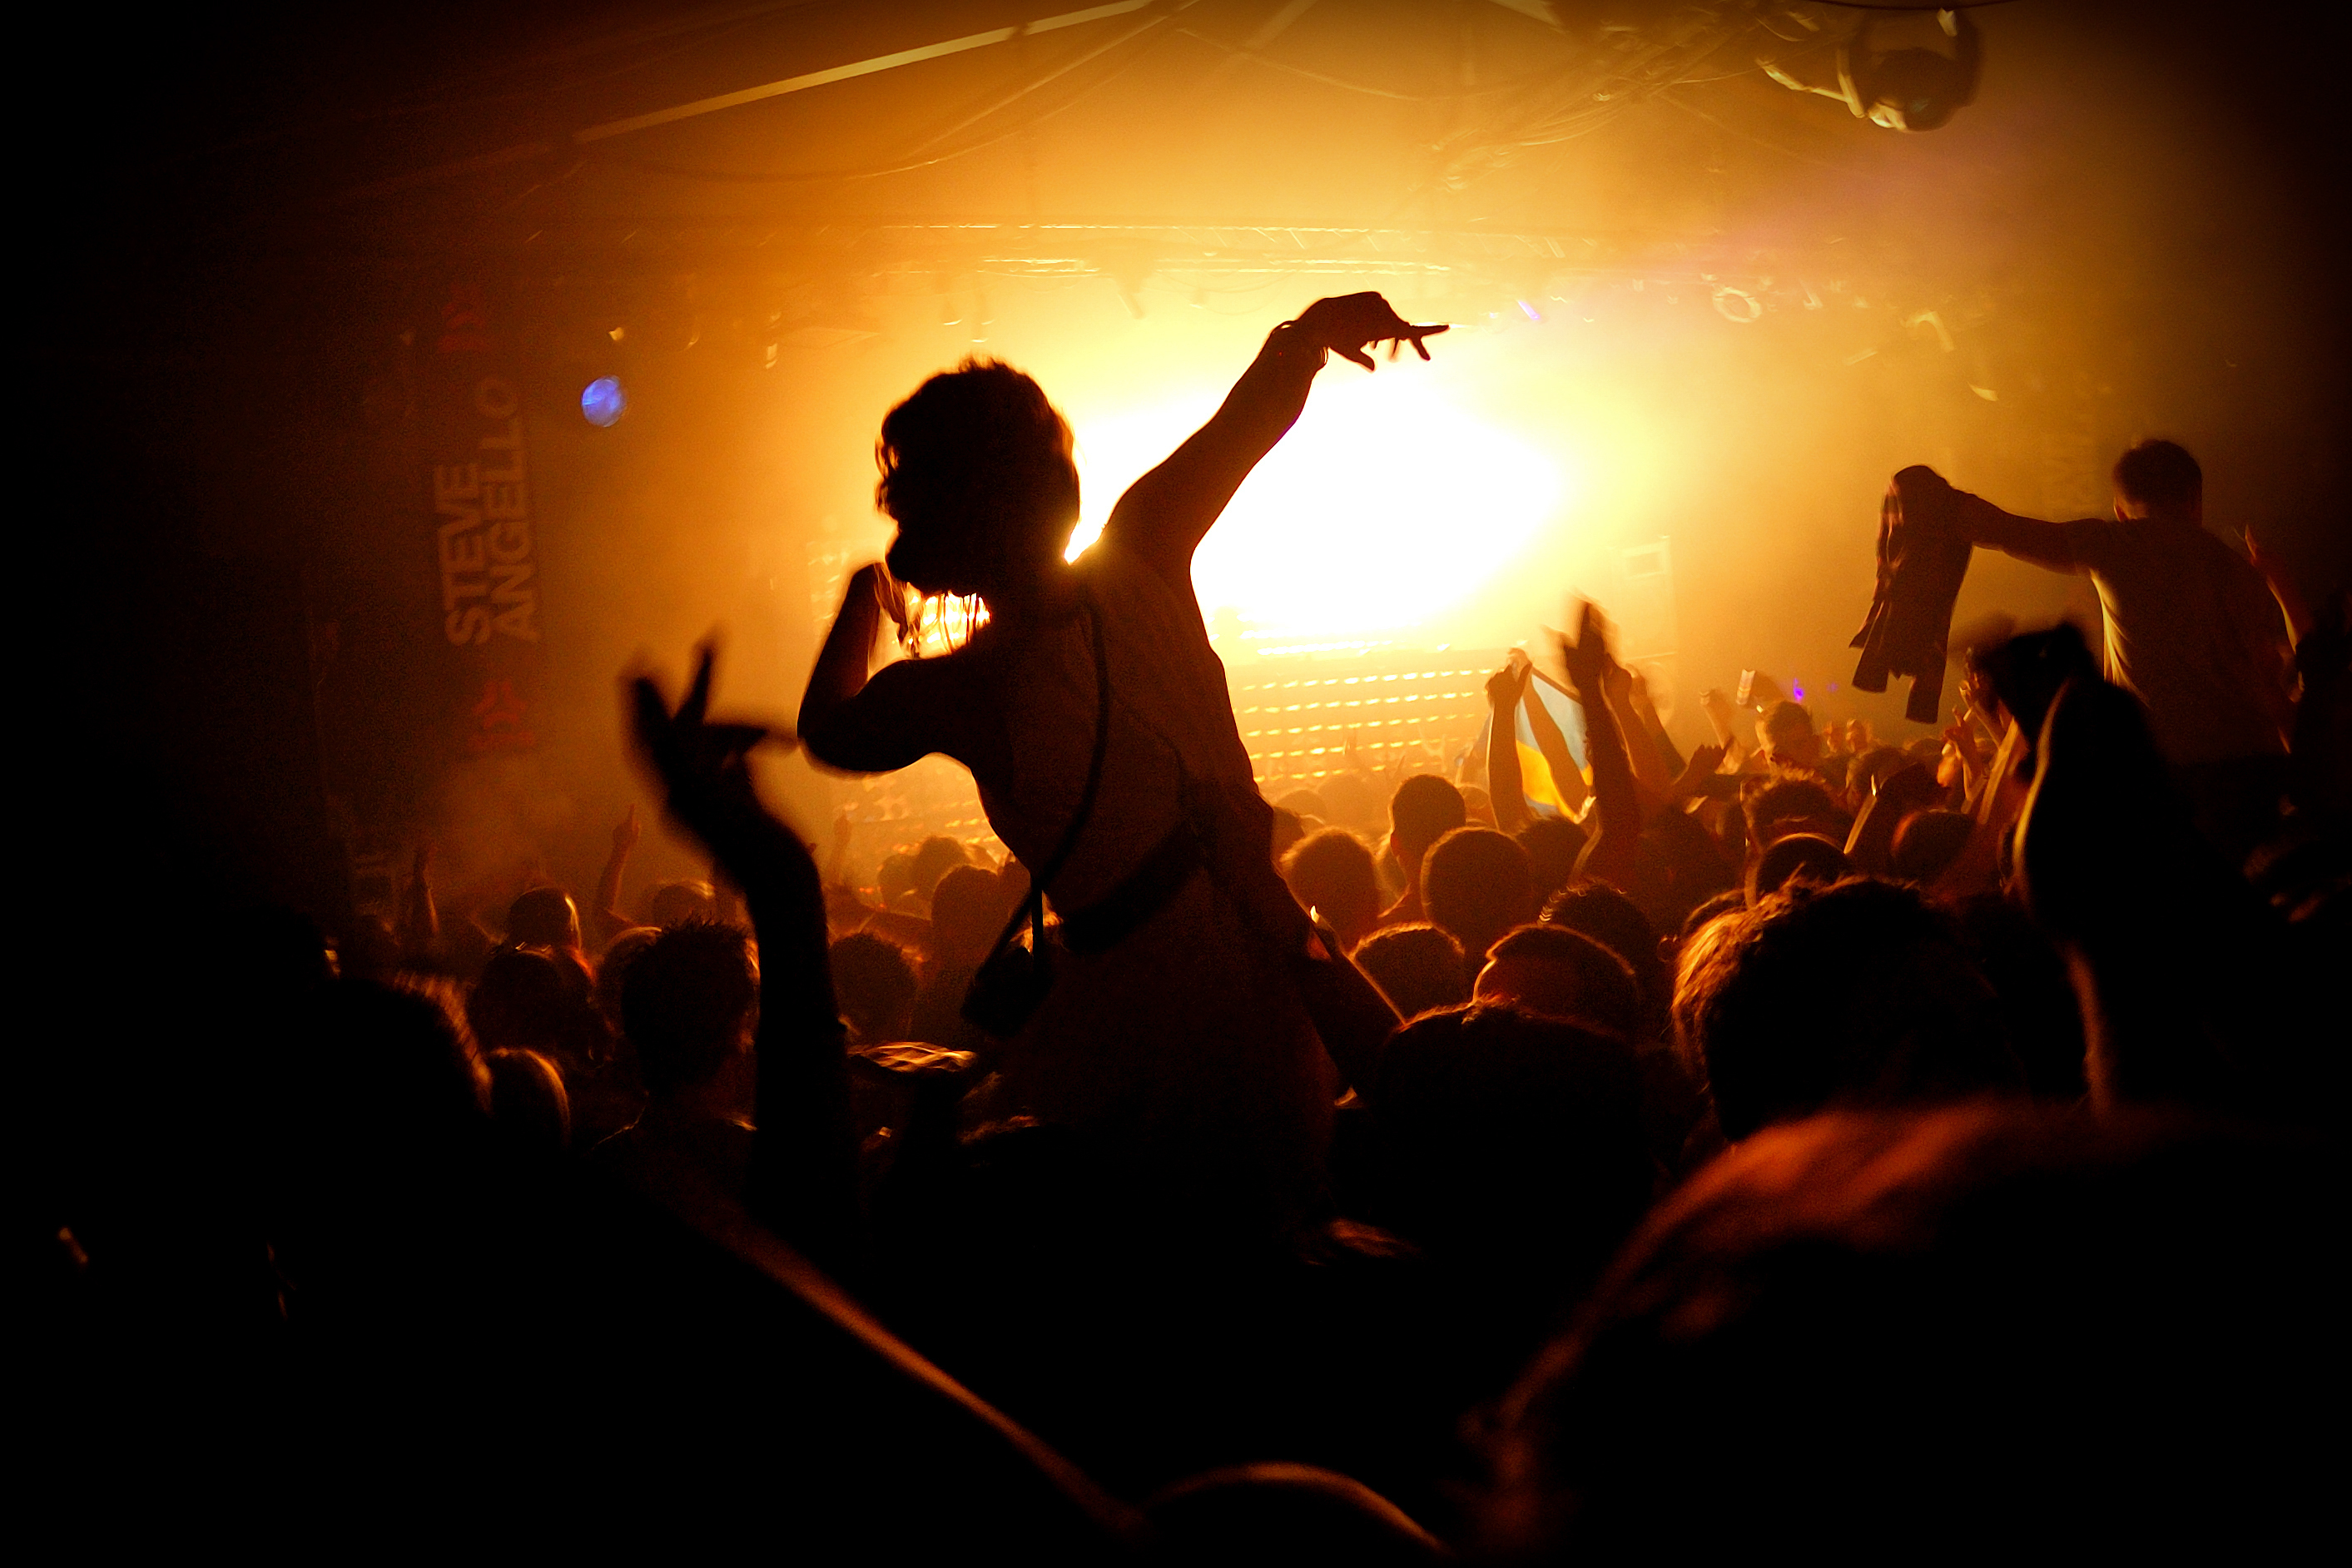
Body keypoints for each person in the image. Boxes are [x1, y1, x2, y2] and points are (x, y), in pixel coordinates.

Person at [797, 293, 1443, 1236]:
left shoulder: (971, 687)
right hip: (1264, 983)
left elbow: (830, 730)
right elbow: (1249, 419)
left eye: (906, 495)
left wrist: (864, 597)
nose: (894, 517)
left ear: (950, 511)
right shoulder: (1140, 550)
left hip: (1139, 1029)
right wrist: (1308, 334)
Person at [1932, 441, 2295, 859]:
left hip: (2169, 779)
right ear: (2196, 499)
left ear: (2120, 508)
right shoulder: (2244, 573)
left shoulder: (2114, 543)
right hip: (2254, 772)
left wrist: (1942, 503)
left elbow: (2005, 530)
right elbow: (2270, 684)